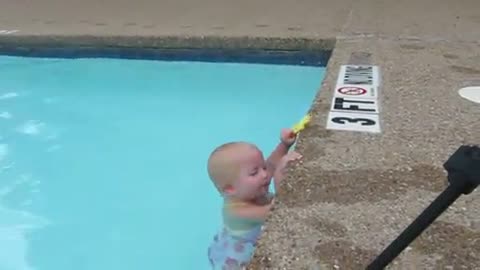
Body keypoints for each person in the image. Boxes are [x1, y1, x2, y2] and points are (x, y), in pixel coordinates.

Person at [206, 128, 303, 269]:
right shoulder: (236, 212)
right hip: (240, 256)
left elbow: (270, 165)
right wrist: (279, 179)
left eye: (262, 167)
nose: (264, 174)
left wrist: (284, 145)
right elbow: (275, 213)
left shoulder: (251, 186)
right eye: (254, 172)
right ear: (230, 189)